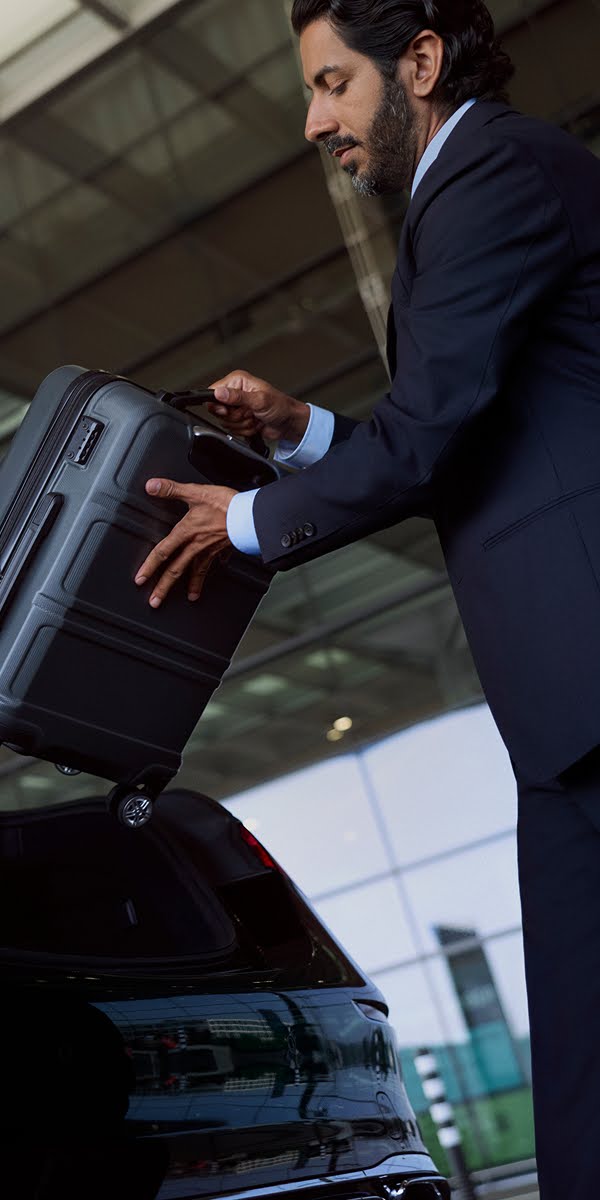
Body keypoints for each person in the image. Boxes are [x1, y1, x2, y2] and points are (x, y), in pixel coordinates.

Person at [134, 3, 600, 1194]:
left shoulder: (492, 169)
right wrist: (305, 433)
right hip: (567, 716)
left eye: (334, 83)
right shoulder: (476, 185)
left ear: (423, 64)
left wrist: (241, 521)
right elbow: (465, 426)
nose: (314, 120)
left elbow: (434, 432)